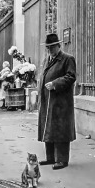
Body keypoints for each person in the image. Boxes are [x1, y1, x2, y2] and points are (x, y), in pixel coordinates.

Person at [37, 33, 76, 170]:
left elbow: (71, 77)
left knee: (60, 129)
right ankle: (51, 157)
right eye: (48, 48)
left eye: (52, 47)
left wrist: (55, 83)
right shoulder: (47, 60)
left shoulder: (67, 59)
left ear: (58, 46)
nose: (50, 50)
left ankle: (62, 159)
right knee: (49, 127)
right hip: (48, 100)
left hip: (61, 101)